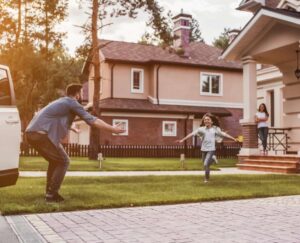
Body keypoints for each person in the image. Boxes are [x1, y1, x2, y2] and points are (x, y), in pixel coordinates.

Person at [25, 83, 125, 203]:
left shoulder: (63, 102)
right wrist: (112, 129)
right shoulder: (72, 103)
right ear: (77, 94)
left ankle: (50, 193)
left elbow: (57, 118)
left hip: (32, 133)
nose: (82, 95)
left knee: (55, 161)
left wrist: (73, 128)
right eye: (81, 93)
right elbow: (92, 120)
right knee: (64, 161)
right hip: (41, 134)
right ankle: (51, 195)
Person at [176, 113, 237, 183]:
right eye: (205, 120)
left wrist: (233, 138)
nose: (206, 121)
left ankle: (206, 179)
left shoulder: (215, 129)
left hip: (211, 149)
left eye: (208, 119)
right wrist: (182, 140)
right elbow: (191, 134)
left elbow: (224, 134)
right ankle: (213, 161)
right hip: (203, 149)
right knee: (205, 165)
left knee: (206, 164)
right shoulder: (201, 129)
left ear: (212, 121)